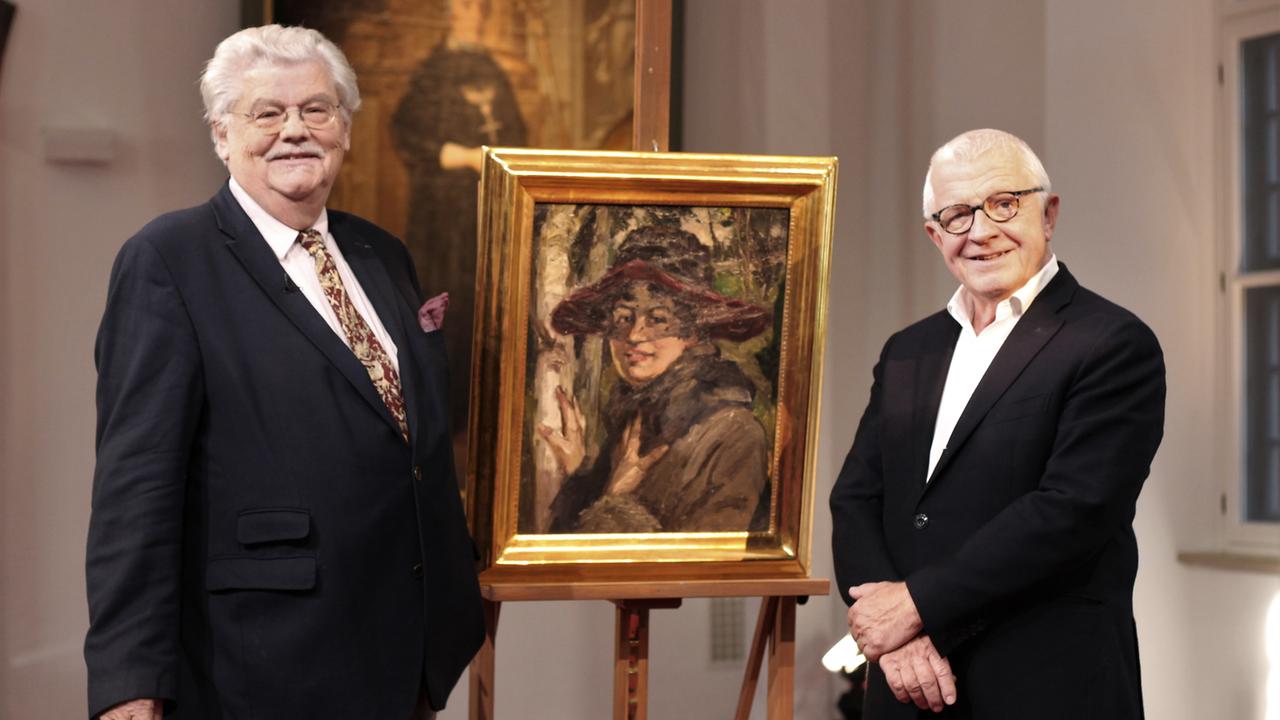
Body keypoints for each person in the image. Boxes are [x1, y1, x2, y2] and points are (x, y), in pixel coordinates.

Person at [84, 25, 482, 720]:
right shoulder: (170, 258)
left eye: (315, 109)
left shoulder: (381, 252)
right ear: (222, 135)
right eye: (266, 112)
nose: (294, 130)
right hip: (261, 664)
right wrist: (130, 682)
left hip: (402, 652)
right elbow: (136, 488)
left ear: (345, 128)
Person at [830, 129, 1165, 719]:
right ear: (935, 235)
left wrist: (913, 607)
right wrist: (893, 637)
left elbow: (1071, 512)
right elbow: (856, 498)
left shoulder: (1112, 343)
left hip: (1043, 686)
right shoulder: (908, 350)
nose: (981, 231)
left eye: (1004, 204)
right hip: (909, 687)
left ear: (1049, 214)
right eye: (957, 215)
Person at [540, 226, 774, 533]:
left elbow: (703, 559)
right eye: (623, 317)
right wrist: (579, 475)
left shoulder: (734, 434)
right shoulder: (635, 419)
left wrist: (615, 501)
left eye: (658, 319)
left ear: (693, 333)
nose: (634, 335)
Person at [391, 0, 527, 444]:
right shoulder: (432, 71)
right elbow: (406, 132)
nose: (477, 16)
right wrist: (459, 155)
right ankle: (443, 419)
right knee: (445, 302)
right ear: (451, 15)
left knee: (484, 304)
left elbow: (517, 133)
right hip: (441, 217)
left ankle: (482, 414)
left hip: (487, 210)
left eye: (480, 9)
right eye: (467, 7)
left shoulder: (491, 70)